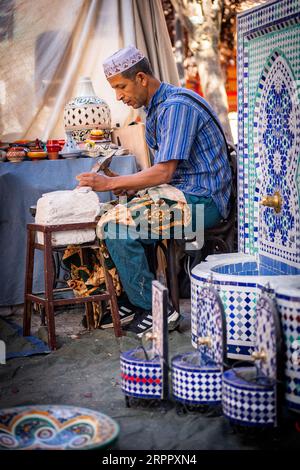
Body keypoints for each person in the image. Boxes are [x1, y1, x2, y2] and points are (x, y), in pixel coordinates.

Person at [76, 45, 232, 337]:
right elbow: (163, 174)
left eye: (121, 87)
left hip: (204, 205)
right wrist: (118, 182)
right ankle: (128, 300)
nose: (119, 96)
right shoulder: (156, 108)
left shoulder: (176, 107)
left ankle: (156, 309)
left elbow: (164, 172)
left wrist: (111, 184)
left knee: (117, 228)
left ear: (141, 78)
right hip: (183, 197)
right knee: (106, 215)